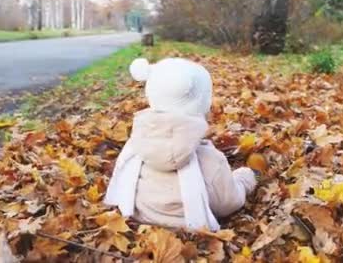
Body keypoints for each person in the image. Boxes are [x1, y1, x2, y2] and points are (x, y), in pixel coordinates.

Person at [104, 57, 257, 231]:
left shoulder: (136, 147)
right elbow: (227, 204)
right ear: (202, 105)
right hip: (190, 237)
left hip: (140, 226)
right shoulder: (210, 160)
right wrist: (245, 179)